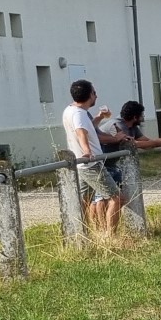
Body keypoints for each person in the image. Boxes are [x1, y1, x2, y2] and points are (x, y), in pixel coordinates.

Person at [62, 79, 121, 235]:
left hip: (81, 165)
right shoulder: (79, 114)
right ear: (89, 95)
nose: (96, 95)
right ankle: (110, 237)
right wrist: (87, 151)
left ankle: (82, 234)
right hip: (91, 164)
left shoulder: (70, 110)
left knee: (84, 200)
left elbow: (87, 126)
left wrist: (100, 117)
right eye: (94, 92)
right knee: (116, 197)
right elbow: (81, 131)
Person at [101, 100, 161, 191]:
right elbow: (132, 144)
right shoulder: (117, 125)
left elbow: (145, 141)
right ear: (135, 117)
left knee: (120, 195)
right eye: (141, 115)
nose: (143, 117)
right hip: (101, 165)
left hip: (112, 165)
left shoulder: (132, 126)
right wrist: (156, 143)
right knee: (103, 198)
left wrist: (160, 142)